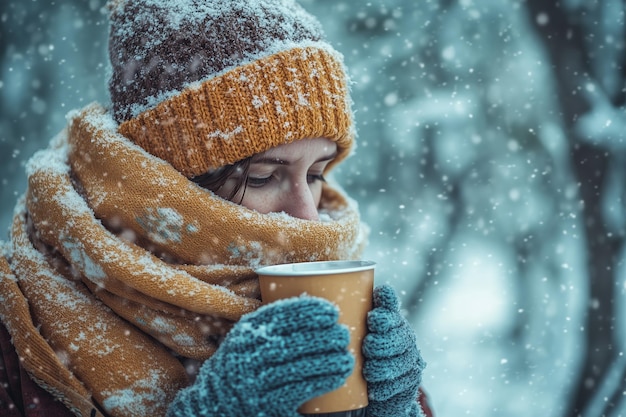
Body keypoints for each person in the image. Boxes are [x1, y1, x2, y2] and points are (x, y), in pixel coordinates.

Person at [0, 0, 433, 416]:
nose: (308, 217)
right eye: (263, 176)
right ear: (167, 186)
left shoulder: (341, 309)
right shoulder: (17, 333)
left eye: (317, 174)